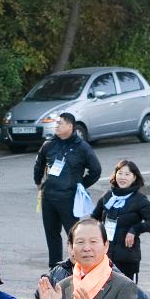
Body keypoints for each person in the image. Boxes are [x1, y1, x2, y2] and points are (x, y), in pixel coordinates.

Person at [33, 113, 101, 267]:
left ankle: (76, 265)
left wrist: (80, 184)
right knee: (51, 234)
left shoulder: (81, 146)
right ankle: (54, 267)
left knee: (73, 235)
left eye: (60, 123)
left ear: (70, 126)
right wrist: (38, 181)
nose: (56, 126)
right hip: (49, 197)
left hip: (68, 198)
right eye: (56, 123)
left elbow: (96, 170)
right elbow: (39, 163)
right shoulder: (49, 144)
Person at [91, 159, 150, 285]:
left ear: (134, 177)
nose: (123, 177)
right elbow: (94, 219)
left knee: (128, 294)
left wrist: (135, 230)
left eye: (127, 174)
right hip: (105, 254)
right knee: (103, 291)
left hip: (127, 256)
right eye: (120, 173)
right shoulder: (108, 196)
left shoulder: (140, 199)